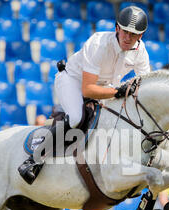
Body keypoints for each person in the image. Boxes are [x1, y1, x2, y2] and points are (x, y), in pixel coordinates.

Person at [18, 6, 151, 184]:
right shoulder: (98, 44)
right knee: (75, 117)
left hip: (105, 87)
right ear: (117, 28)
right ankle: (34, 159)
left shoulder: (141, 52)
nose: (127, 38)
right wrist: (117, 91)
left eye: (133, 35)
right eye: (125, 31)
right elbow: (87, 89)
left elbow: (145, 86)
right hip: (72, 81)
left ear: (140, 36)